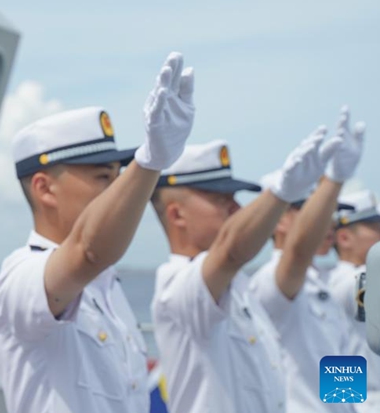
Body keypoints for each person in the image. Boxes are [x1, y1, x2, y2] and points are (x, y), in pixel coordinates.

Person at [0, 52, 196, 413]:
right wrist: (149, 163)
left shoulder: (107, 286)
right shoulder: (20, 277)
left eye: (119, 175)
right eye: (103, 177)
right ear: (44, 188)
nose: (116, 189)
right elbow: (87, 251)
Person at [150, 127, 336, 413]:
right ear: (177, 214)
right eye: (221, 200)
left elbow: (339, 351)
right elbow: (292, 253)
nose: (237, 208)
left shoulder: (244, 286)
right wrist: (327, 184)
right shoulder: (179, 287)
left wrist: (351, 404)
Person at [248, 108, 364, 412]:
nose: (330, 224)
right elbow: (297, 252)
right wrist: (335, 180)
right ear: (280, 219)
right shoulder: (272, 279)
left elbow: (338, 366)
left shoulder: (320, 286)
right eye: (315, 212)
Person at [329, 189, 380, 412]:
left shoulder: (328, 281)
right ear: (344, 237)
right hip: (368, 401)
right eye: (376, 229)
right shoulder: (356, 280)